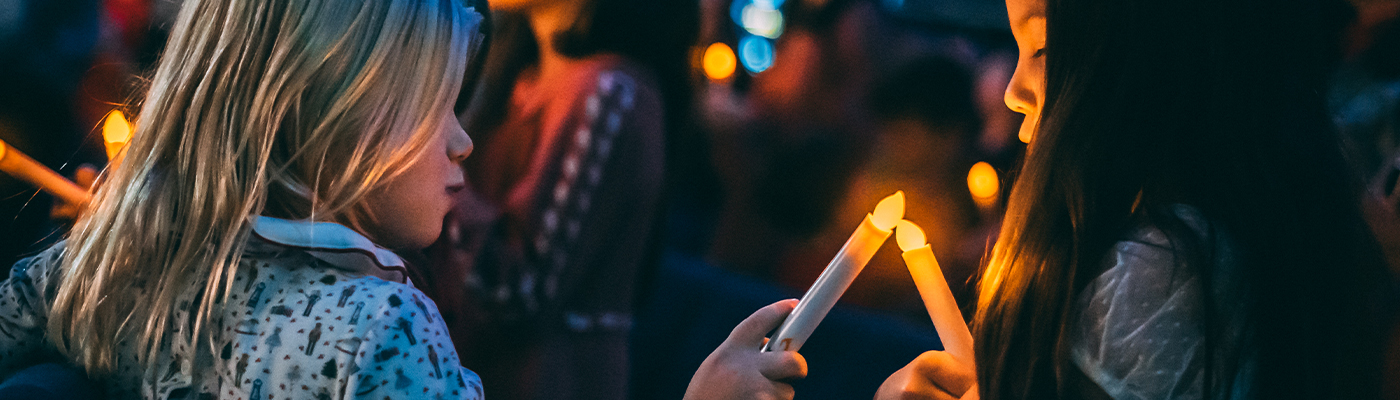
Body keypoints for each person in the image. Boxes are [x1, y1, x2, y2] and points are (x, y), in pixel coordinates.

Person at [0, 0, 805, 399]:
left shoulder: (111, 262)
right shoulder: (383, 331)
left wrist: (138, 217)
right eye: (437, 108)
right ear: (335, 120)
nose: (464, 143)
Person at [875, 0, 1389, 399]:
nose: (1012, 90)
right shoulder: (1220, 248)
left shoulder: (1156, 276)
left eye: (1041, 49)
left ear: (1152, 61)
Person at [426, 0, 695, 398]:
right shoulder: (519, 73)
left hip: (547, 380)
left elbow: (521, 291)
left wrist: (418, 169)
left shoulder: (610, 93)